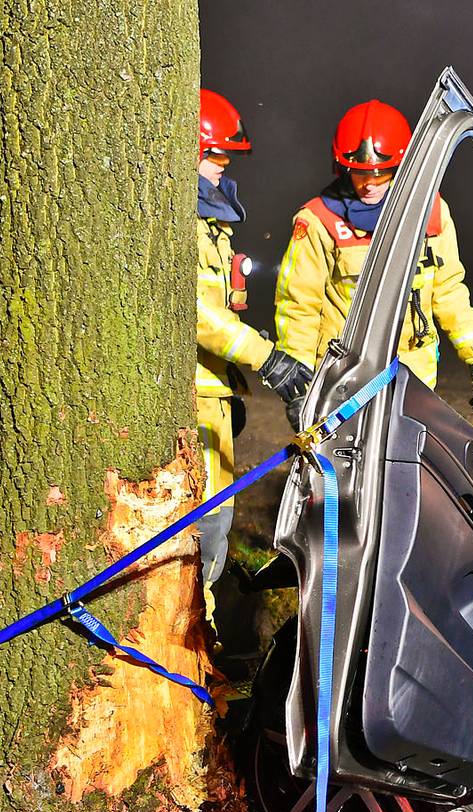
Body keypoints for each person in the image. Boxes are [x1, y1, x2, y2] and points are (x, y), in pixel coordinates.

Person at [273, 99, 473, 426]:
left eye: (381, 172)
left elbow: (448, 290)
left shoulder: (431, 213)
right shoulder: (318, 221)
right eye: (361, 174)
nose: (370, 184)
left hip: (414, 380)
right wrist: (299, 388)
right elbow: (299, 306)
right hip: (345, 380)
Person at [194, 89, 311, 589]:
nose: (224, 165)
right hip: (189, 404)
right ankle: (191, 651)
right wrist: (267, 359)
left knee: (215, 530)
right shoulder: (182, 226)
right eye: (216, 154)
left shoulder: (210, 225)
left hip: (210, 397)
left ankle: (204, 647)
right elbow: (193, 315)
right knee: (197, 539)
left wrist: (234, 381)